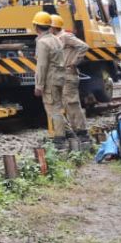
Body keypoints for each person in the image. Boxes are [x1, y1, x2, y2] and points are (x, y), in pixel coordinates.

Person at [49, 13, 91, 150]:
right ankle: (69, 132)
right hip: (58, 74)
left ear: (53, 27)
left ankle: (81, 132)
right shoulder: (54, 38)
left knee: (71, 103)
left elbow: (83, 46)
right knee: (59, 104)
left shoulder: (66, 36)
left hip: (68, 74)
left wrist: (74, 62)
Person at [32, 10, 67, 149]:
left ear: (36, 26)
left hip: (50, 80)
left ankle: (59, 139)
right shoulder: (56, 39)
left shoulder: (43, 43)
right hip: (60, 78)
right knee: (59, 106)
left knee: (53, 109)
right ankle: (65, 133)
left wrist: (39, 85)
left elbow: (42, 65)